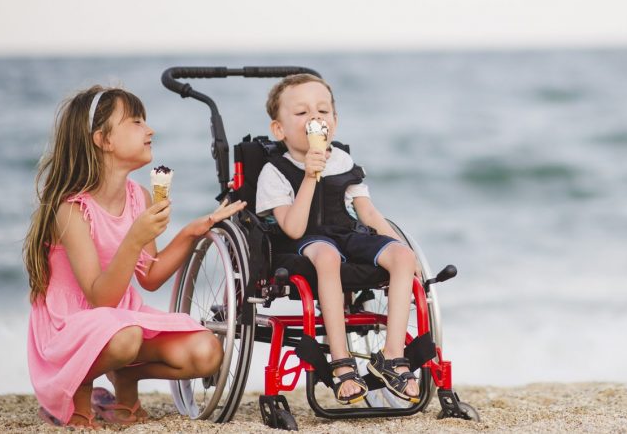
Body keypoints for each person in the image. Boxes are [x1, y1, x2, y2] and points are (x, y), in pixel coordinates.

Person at [24, 86, 247, 427]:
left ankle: (126, 379)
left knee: (207, 353)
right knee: (125, 337)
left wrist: (190, 231)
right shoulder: (71, 210)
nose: (150, 130)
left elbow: (151, 278)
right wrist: (134, 238)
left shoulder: (138, 197)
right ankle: (77, 391)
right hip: (69, 324)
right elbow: (100, 298)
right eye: (136, 122)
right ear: (103, 140)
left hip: (122, 320)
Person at [255, 74, 422, 404]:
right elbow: (293, 228)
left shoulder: (343, 161)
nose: (315, 118)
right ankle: (341, 362)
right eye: (302, 113)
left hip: (346, 233)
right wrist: (309, 175)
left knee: (403, 257)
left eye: (323, 111)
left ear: (334, 121)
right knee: (328, 256)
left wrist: (407, 254)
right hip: (305, 242)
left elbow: (369, 215)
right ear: (279, 130)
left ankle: (392, 356)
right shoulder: (274, 171)